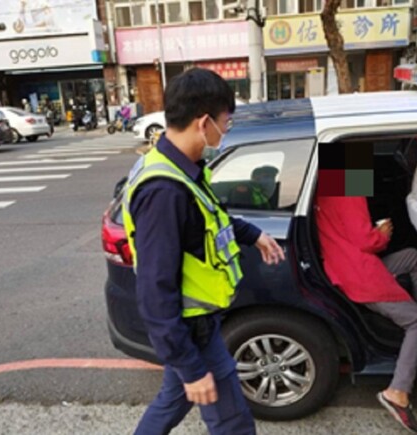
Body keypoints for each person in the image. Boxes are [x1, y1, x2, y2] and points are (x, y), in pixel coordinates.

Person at [122, 68, 285, 435]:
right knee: (234, 425)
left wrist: (252, 233)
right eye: (226, 122)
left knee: (173, 400)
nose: (226, 131)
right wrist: (191, 366)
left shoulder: (183, 168)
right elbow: (154, 290)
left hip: (196, 324)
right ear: (204, 122)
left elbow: (210, 218)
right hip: (190, 327)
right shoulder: (164, 191)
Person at [315, 195, 417, 433]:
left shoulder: (328, 187)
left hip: (342, 266)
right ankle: (397, 391)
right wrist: (383, 234)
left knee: (412, 257)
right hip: (361, 275)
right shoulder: (349, 193)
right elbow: (365, 241)